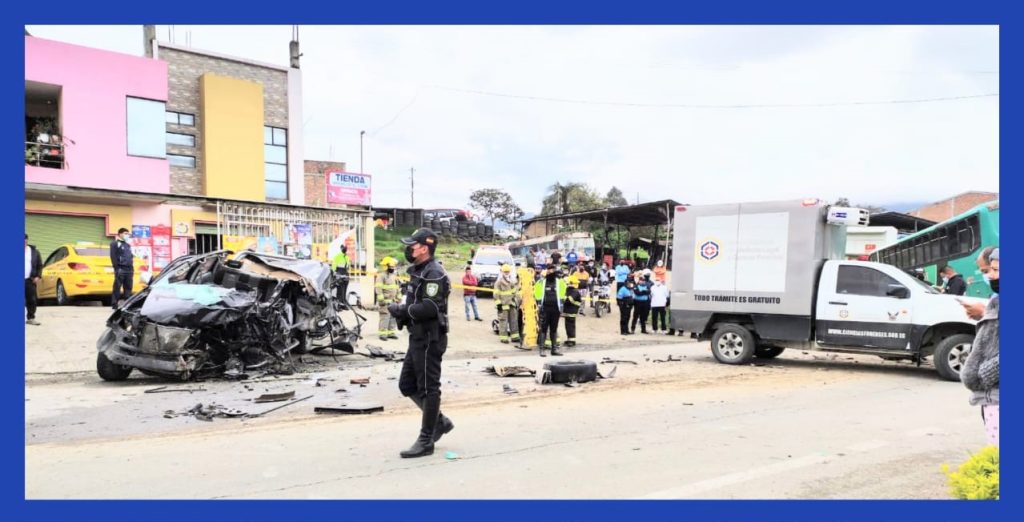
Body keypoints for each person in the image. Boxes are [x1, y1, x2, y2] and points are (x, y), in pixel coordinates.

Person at [387, 228, 454, 458]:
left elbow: (431, 307)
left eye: (412, 245)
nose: (408, 249)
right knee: (407, 385)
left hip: (429, 338)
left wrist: (403, 310)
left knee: (428, 388)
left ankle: (426, 440)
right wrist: (403, 311)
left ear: (424, 248)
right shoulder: (420, 270)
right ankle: (439, 422)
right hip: (417, 336)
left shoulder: (434, 272)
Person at [960, 246, 999, 447]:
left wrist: (984, 373)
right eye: (987, 271)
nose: (990, 276)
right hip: (990, 394)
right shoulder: (997, 299)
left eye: (993, 270)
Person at [533, 266, 566, 357]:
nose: (551, 273)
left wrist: (561, 307)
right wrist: (539, 304)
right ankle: (542, 349)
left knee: (554, 329)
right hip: (545, 309)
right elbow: (537, 293)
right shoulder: (541, 282)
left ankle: (554, 349)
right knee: (543, 329)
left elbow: (563, 295)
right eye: (549, 272)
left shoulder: (560, 282)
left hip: (556, 309)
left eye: (553, 271)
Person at [375, 257, 401, 341]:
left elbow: (397, 287)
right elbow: (378, 288)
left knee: (393, 317)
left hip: (393, 301)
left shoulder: (394, 276)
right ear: (386, 266)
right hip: (385, 301)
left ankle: (391, 333)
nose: (392, 269)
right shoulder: (381, 276)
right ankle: (383, 334)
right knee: (385, 317)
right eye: (391, 267)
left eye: (393, 267)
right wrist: (381, 300)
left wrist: (399, 297)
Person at [494, 263, 520, 344]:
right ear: (502, 272)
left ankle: (515, 337)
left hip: (511, 304)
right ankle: (503, 338)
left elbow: (515, 291)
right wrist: (498, 304)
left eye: (508, 271)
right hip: (503, 305)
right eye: (505, 272)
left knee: (514, 321)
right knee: (503, 321)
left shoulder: (512, 281)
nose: (506, 273)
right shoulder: (498, 282)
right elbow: (496, 294)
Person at [109, 227, 134, 309]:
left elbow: (130, 257)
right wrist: (116, 268)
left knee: (128, 287)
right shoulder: (115, 244)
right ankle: (114, 304)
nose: (127, 235)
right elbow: (113, 257)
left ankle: (127, 304)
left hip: (129, 269)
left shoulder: (128, 245)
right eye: (125, 233)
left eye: (128, 234)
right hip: (120, 268)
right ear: (120, 234)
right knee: (117, 286)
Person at [25, 234, 42, 325]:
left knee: (31, 299)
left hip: (30, 280)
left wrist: (38, 276)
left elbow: (40, 265)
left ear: (27, 241)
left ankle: (31, 318)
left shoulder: (34, 252)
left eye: (24, 240)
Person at [563, 274, 582, 347]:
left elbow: (570, 300)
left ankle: (572, 341)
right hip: (568, 311)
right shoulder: (570, 290)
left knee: (570, 326)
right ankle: (569, 339)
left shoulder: (574, 291)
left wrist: (563, 298)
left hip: (572, 311)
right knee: (568, 326)